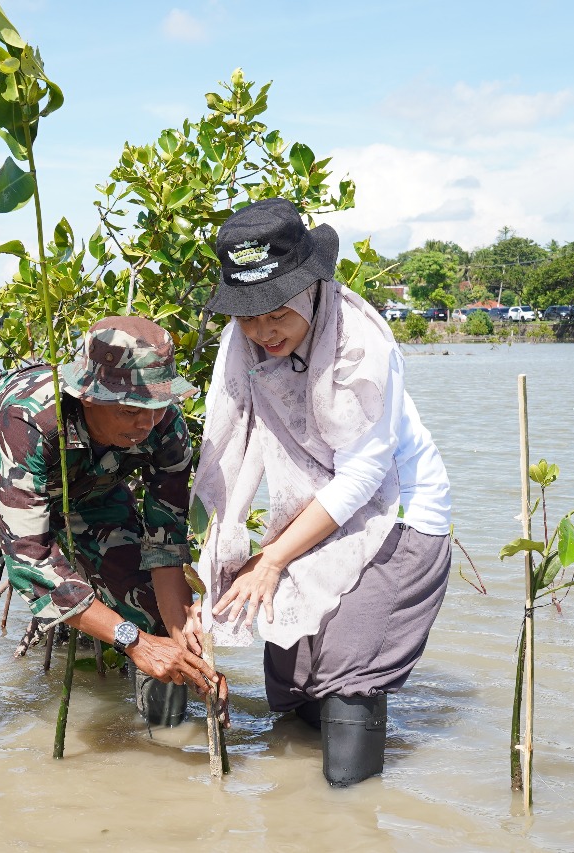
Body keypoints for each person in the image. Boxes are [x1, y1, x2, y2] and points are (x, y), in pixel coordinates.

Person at [191, 198, 451, 787]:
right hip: (317, 513)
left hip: (398, 514)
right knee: (293, 677)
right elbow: (224, 451)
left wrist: (271, 559)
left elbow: (363, 478)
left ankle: (351, 807)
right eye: (248, 317)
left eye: (276, 313)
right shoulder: (245, 346)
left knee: (348, 674)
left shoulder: (360, 346)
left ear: (311, 289)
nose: (264, 332)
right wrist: (218, 565)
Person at [0, 315, 226, 730]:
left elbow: (165, 543)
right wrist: (134, 642)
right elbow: (31, 562)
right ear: (89, 398)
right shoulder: (30, 418)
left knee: (152, 611)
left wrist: (178, 642)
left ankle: (164, 736)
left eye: (156, 407)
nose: (146, 424)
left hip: (92, 488)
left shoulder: (165, 427)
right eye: (130, 409)